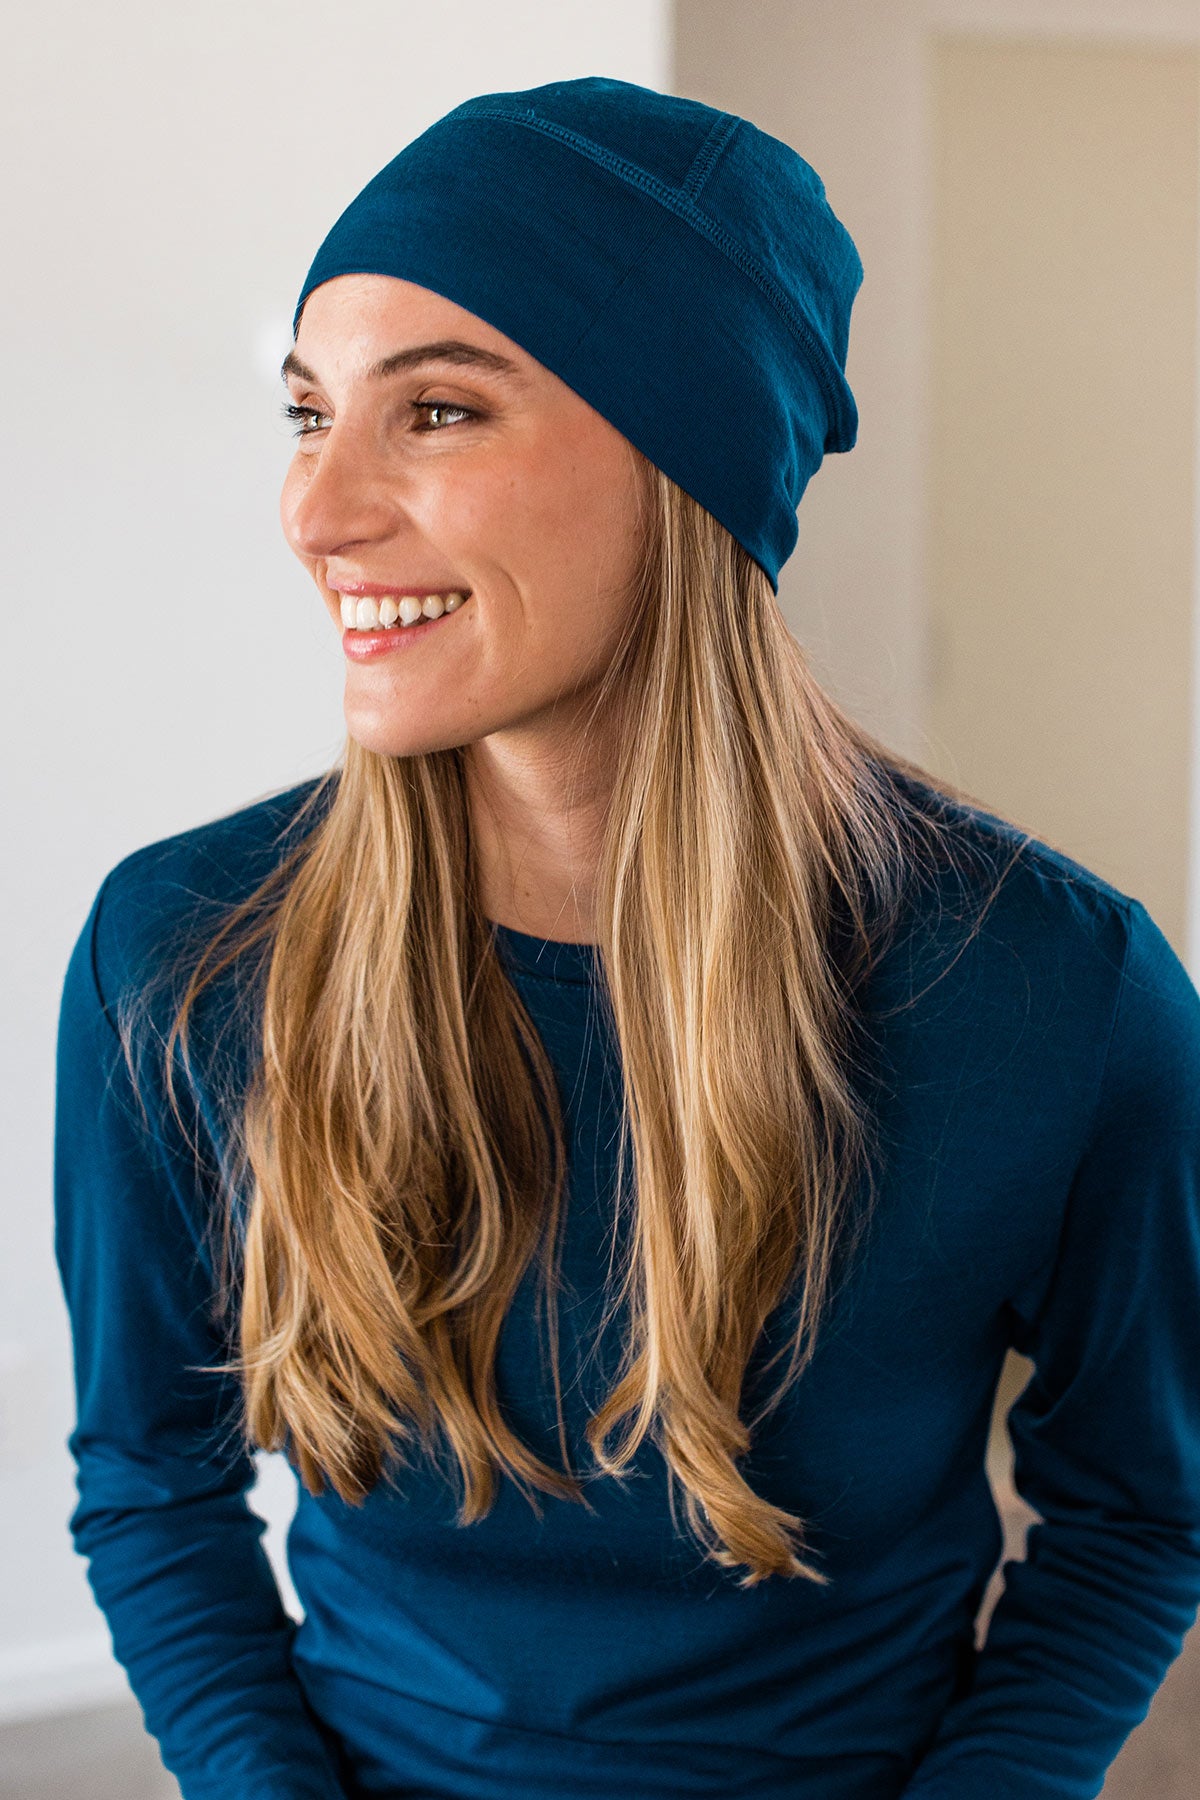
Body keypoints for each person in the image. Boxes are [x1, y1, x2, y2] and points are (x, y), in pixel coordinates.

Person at [53, 74, 1200, 1800]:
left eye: (435, 412)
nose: (317, 510)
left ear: (689, 459)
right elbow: (152, 1474)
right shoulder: (186, 954)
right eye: (308, 411)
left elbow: (1139, 1506)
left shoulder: (1056, 991)